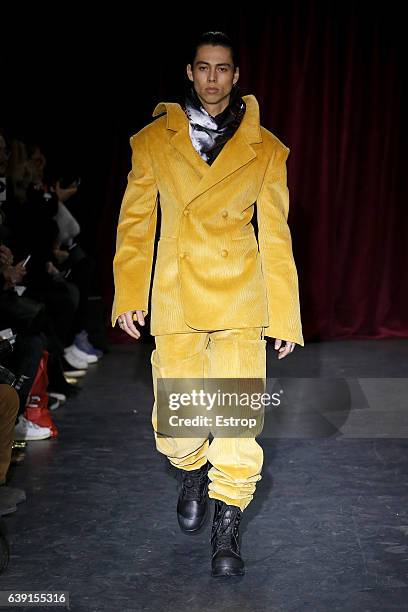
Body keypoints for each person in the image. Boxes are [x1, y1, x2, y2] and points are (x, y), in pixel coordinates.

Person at [112, 31, 304, 577]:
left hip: (241, 293)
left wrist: (284, 315)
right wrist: (129, 293)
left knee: (238, 420)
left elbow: (277, 236)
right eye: (204, 68)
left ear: (236, 75)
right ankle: (192, 469)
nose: (213, 78)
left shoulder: (266, 150)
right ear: (189, 73)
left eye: (223, 68)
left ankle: (228, 531)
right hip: (176, 293)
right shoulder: (152, 141)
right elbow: (135, 224)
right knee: (180, 425)